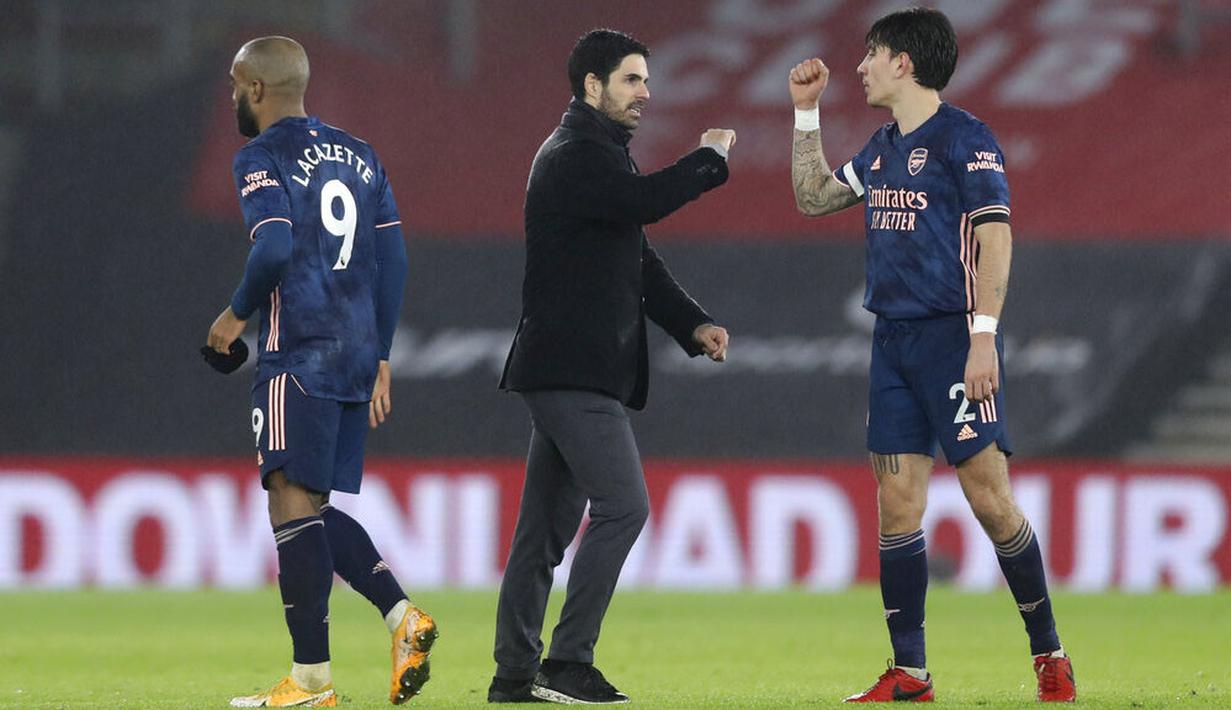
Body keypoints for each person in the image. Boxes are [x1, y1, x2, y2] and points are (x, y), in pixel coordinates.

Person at [788, 8, 1075, 703]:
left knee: (987, 498)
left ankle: (1049, 656)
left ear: (903, 64)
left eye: (870, 55)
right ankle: (910, 673)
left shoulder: (965, 141)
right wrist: (804, 116)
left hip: (953, 339)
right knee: (896, 503)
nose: (858, 67)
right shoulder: (880, 148)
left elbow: (993, 239)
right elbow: (812, 198)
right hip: (891, 341)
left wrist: (983, 336)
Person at [489, 28, 735, 705]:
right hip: (570, 372)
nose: (645, 93)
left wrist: (692, 323)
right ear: (591, 86)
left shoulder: (595, 156)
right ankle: (567, 662)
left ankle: (512, 675)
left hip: (564, 368)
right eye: (631, 79)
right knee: (625, 507)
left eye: (645, 80)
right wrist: (708, 159)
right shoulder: (575, 155)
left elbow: (638, 258)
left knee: (541, 533)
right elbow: (644, 206)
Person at [204, 36, 436, 708]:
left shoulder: (261, 156)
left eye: (232, 85)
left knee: (286, 499)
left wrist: (233, 314)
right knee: (311, 508)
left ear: (255, 89)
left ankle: (312, 682)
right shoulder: (362, 156)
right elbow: (393, 263)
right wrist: (384, 353)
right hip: (356, 351)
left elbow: (274, 244)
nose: (230, 97)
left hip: (297, 346)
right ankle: (400, 621)